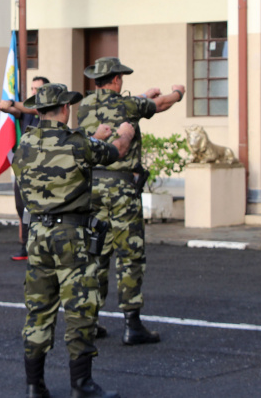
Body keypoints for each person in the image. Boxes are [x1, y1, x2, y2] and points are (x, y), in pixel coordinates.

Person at [12, 83, 134, 398]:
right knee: (80, 308)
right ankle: (81, 384)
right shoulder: (78, 143)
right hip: (71, 237)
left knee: (38, 308)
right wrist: (125, 132)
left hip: (37, 235)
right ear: (65, 108)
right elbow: (117, 152)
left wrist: (92, 138)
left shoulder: (24, 143)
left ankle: (33, 385)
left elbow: (57, 154)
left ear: (38, 111)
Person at [76, 57, 184, 345]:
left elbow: (126, 104)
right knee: (130, 254)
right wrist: (178, 92)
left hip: (92, 188)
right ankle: (132, 324)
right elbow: (160, 104)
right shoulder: (128, 106)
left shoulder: (85, 105)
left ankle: (91, 321)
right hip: (121, 189)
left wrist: (142, 97)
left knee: (96, 253)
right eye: (120, 77)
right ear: (115, 80)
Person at [0, 75, 49, 261]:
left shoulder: (46, 110)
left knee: (40, 208)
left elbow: (31, 107)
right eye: (32, 89)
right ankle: (25, 245)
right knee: (21, 207)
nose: (34, 92)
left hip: (42, 169)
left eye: (38, 90)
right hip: (24, 169)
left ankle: (41, 245)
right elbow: (16, 111)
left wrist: (12, 101)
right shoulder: (26, 112)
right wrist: (0, 104)